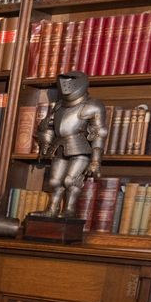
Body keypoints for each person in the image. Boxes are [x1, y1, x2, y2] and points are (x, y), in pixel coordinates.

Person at [35, 71, 107, 218]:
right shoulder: (59, 106)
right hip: (59, 146)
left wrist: (95, 161)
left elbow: (99, 133)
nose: (66, 84)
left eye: (71, 80)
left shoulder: (93, 106)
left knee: (70, 181)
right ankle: (52, 210)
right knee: (55, 181)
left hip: (80, 147)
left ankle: (69, 210)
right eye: (63, 79)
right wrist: (45, 144)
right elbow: (47, 126)